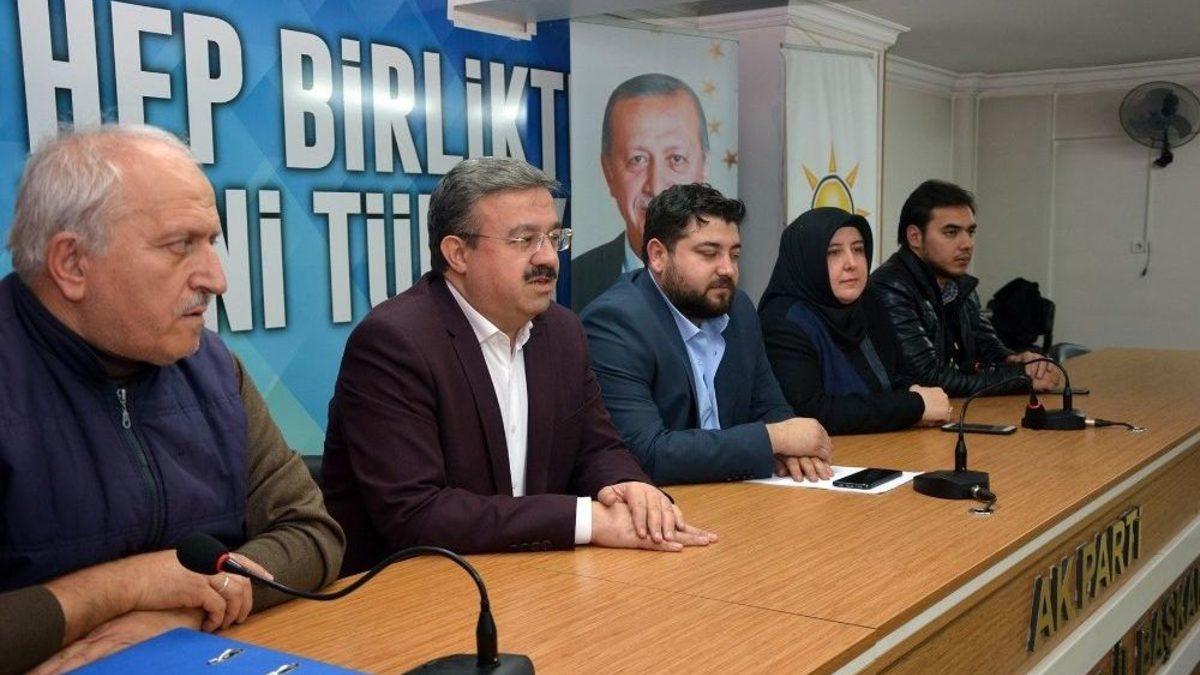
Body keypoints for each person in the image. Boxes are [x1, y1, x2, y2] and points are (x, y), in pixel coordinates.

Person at [0, 125, 344, 674]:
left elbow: (312, 534)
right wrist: (126, 586)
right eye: (180, 245)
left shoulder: (212, 369)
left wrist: (192, 605)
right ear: (72, 264)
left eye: (211, 243)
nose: (217, 279)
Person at [321, 157, 716, 574]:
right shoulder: (395, 343)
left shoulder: (562, 331)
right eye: (524, 240)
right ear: (458, 253)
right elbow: (417, 515)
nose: (548, 258)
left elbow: (596, 448)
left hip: (529, 574)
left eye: (553, 237)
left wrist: (628, 487)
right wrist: (587, 520)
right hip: (410, 588)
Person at [581, 183, 833, 486]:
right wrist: (774, 439)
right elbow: (646, 454)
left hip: (734, 492)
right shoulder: (616, 323)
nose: (728, 269)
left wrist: (794, 450)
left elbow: (769, 406)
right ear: (658, 256)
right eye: (709, 253)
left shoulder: (738, 309)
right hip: (666, 502)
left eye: (734, 255)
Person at [759, 208, 952, 435]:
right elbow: (811, 411)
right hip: (831, 452)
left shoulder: (867, 301)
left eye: (858, 249)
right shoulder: (783, 320)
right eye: (834, 252)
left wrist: (914, 393)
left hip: (881, 443)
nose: (851, 263)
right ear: (807, 259)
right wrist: (914, 406)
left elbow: (899, 376)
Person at [872, 180, 1060, 397]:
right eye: (951, 232)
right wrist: (1021, 378)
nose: (967, 244)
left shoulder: (958, 285)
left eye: (970, 232)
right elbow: (929, 378)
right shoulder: (890, 287)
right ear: (915, 237)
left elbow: (989, 351)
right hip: (912, 417)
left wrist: (1021, 361)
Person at [572, 73, 709, 310]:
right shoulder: (573, 282)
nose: (656, 187)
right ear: (608, 172)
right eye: (638, 159)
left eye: (676, 159)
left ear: (704, 166)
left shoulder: (722, 284)